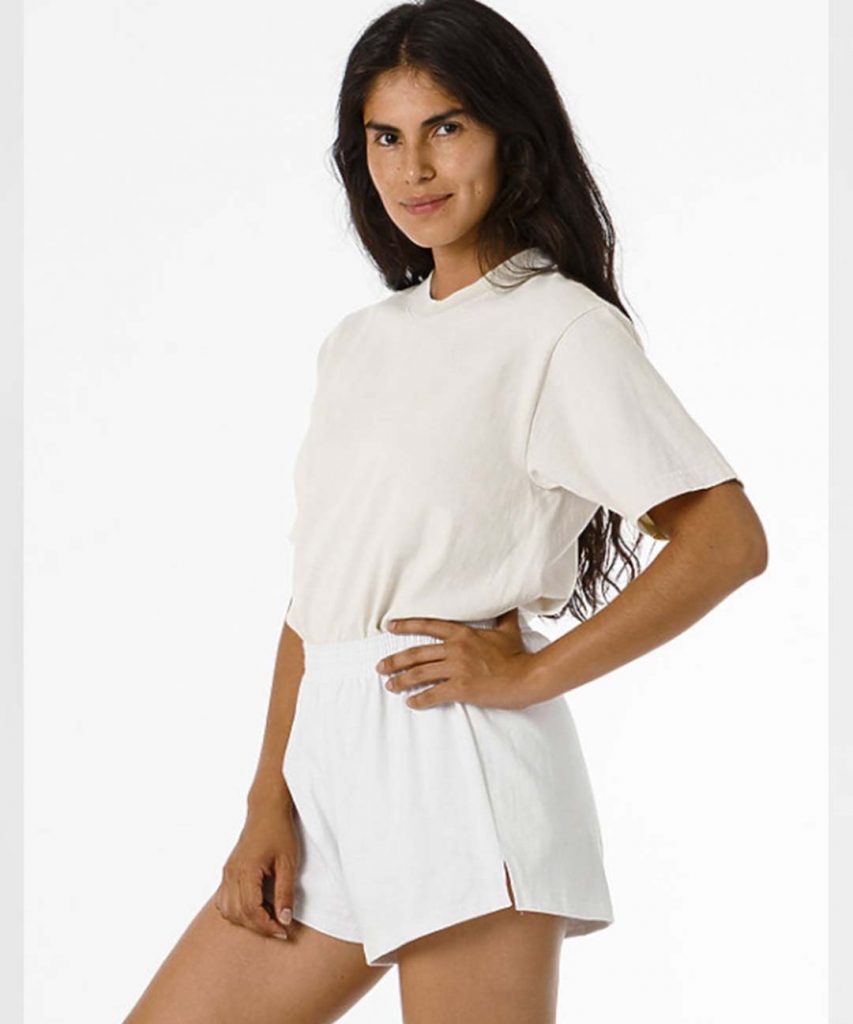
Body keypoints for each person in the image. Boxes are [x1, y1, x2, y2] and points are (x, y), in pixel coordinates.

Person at [121, 1, 768, 1021]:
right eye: (385, 137)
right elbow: (319, 594)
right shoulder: (358, 342)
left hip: (457, 763)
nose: (413, 168)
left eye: (446, 128)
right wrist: (267, 799)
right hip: (328, 767)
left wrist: (531, 675)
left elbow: (726, 539)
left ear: (512, 136)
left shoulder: (557, 328)